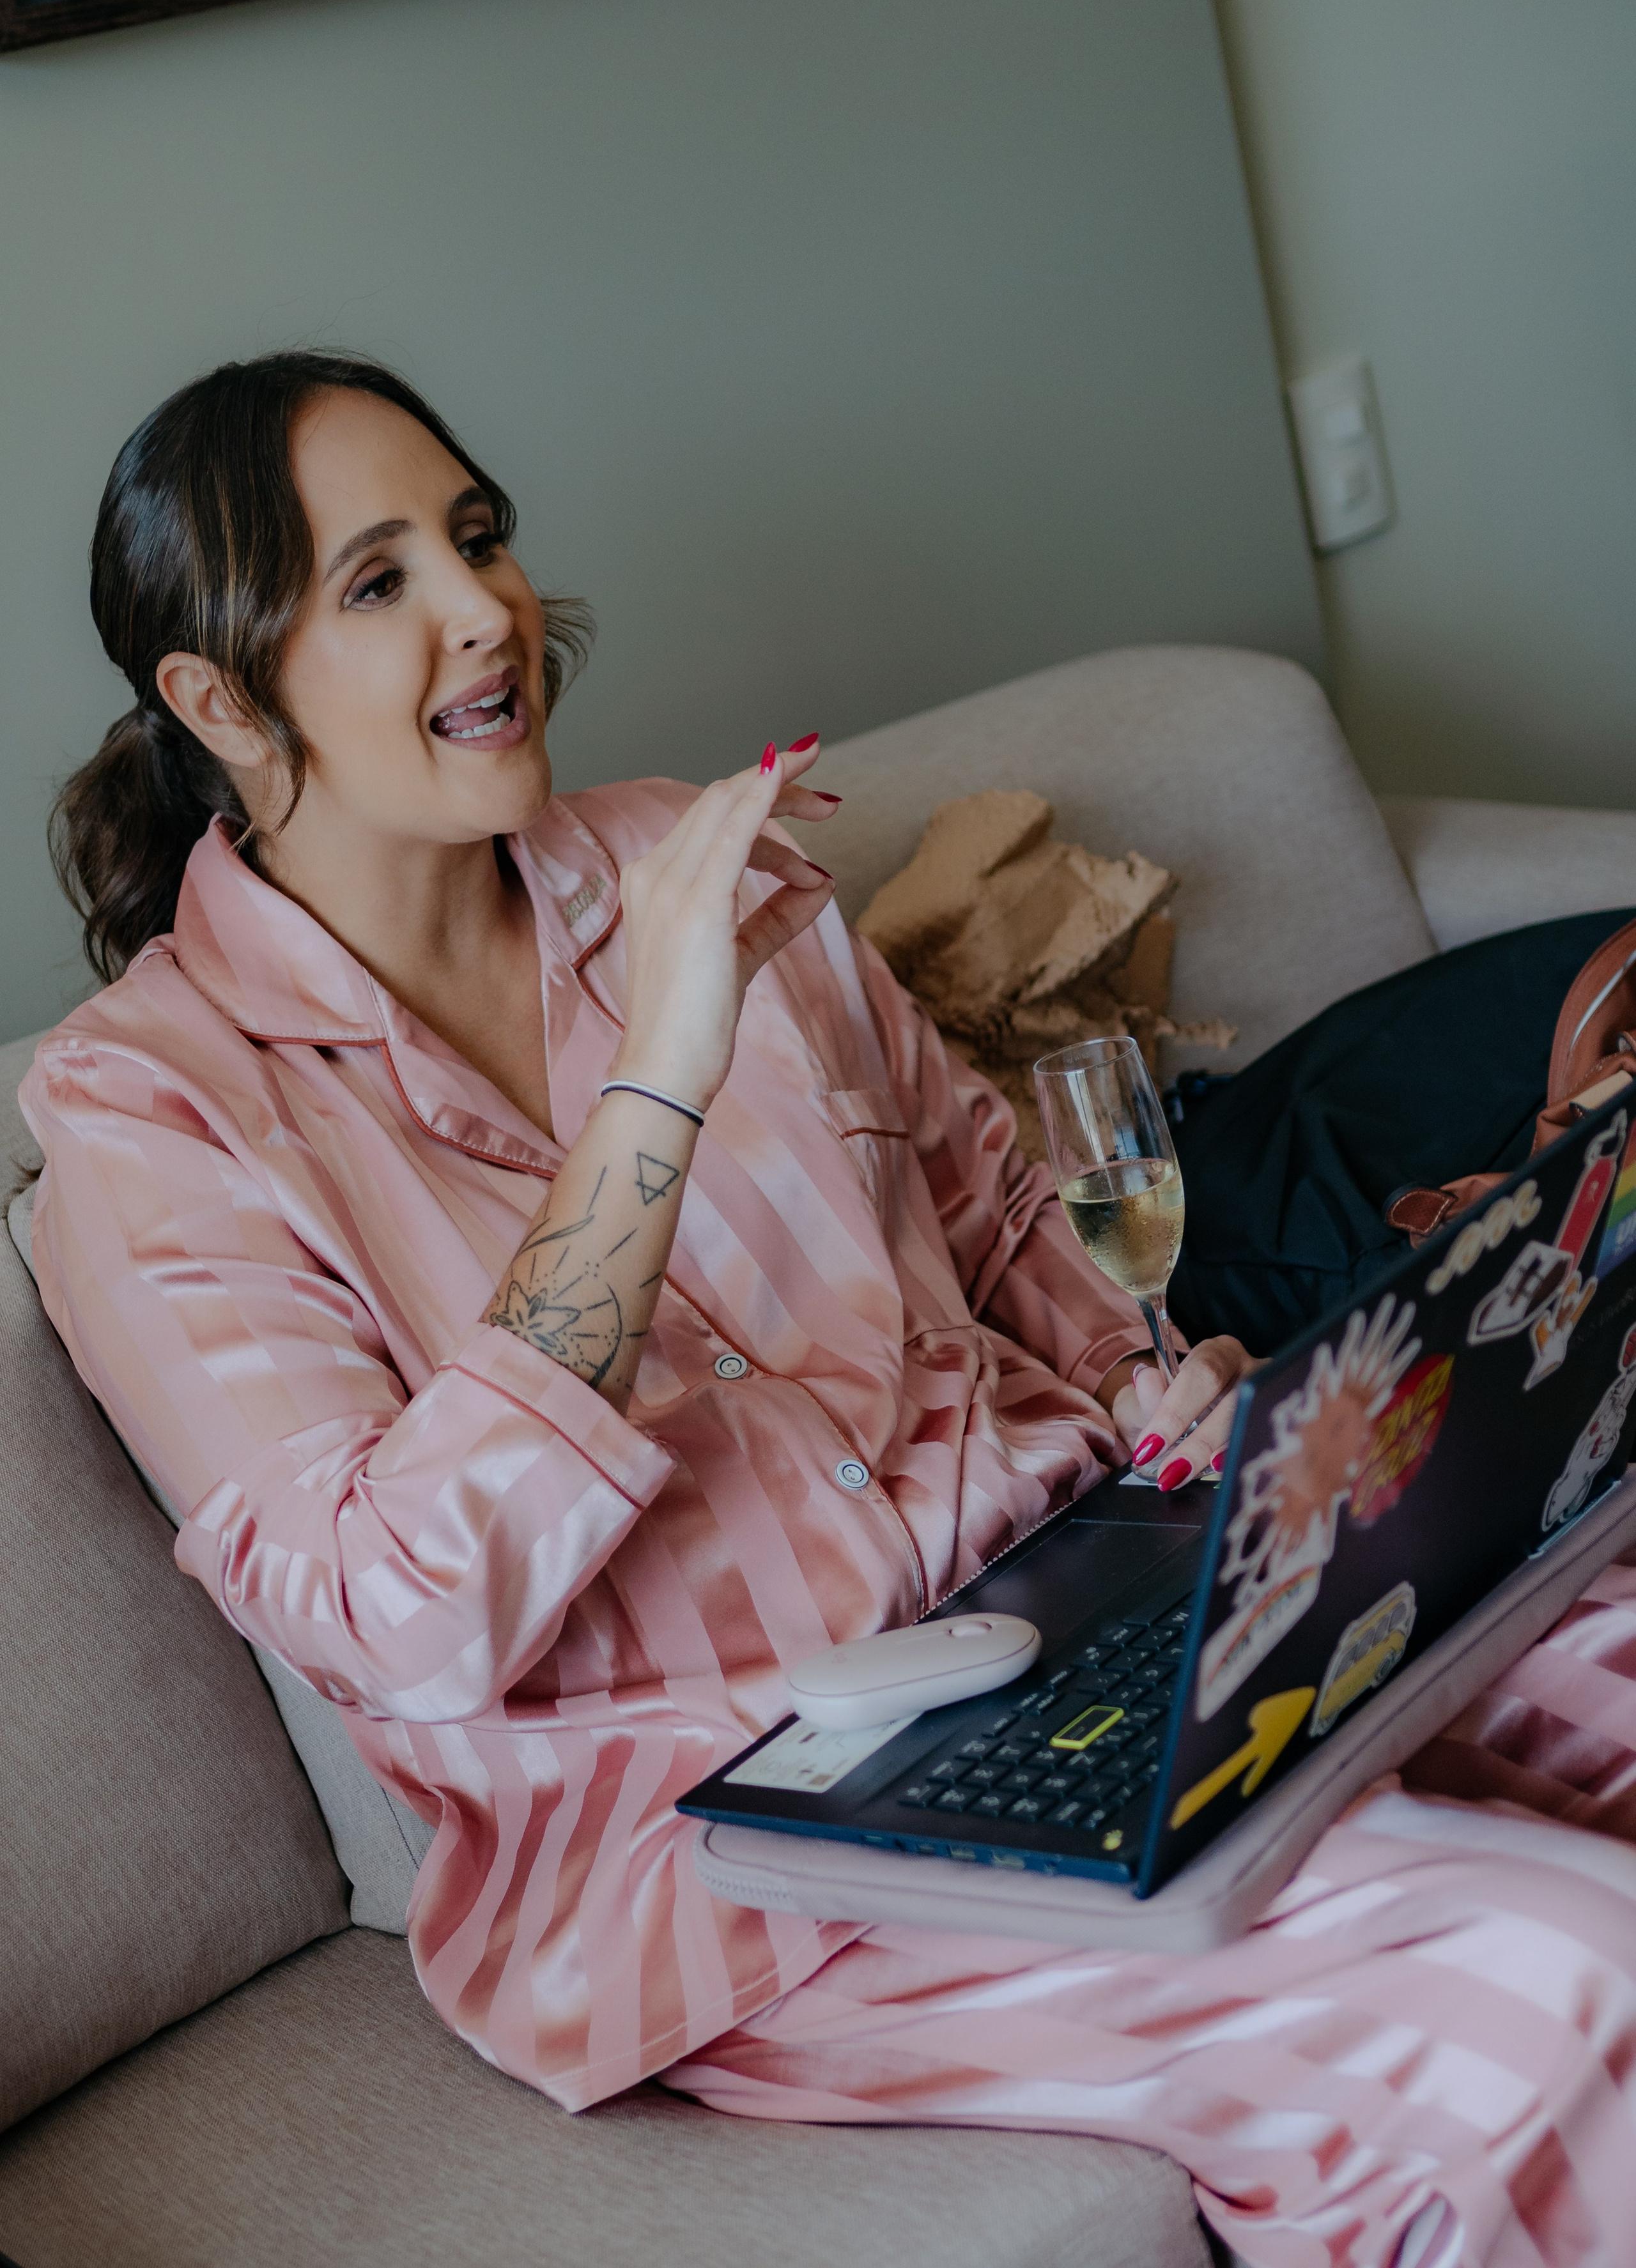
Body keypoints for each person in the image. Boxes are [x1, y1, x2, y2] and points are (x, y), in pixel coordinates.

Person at [26, 351, 1636, 2268]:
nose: (485, 611)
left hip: (1109, 1605)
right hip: (757, 1847)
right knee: (1548, 1980)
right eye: (377, 583)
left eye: (478, 537)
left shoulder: (681, 858)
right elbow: (408, 1609)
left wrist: (1185, 1412)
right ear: (216, 695)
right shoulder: (146, 1116)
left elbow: (1013, 1221)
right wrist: (662, 1069)